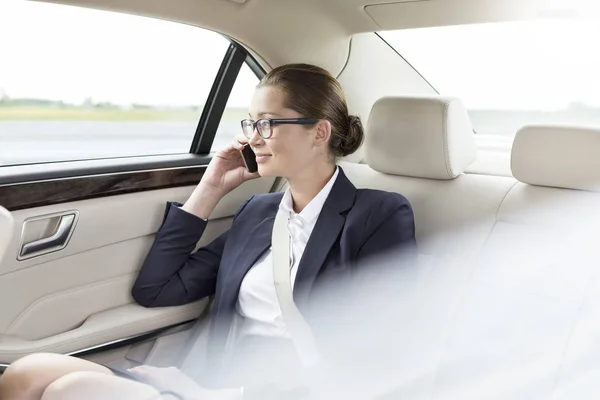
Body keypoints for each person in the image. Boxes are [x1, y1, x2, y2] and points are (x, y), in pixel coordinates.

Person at [0, 63, 417, 400]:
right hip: (208, 382)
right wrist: (210, 188)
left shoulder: (377, 215)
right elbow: (157, 289)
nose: (253, 138)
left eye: (268, 124)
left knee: (71, 389)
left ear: (319, 132)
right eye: (250, 124)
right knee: (27, 372)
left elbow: (375, 352)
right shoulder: (259, 212)